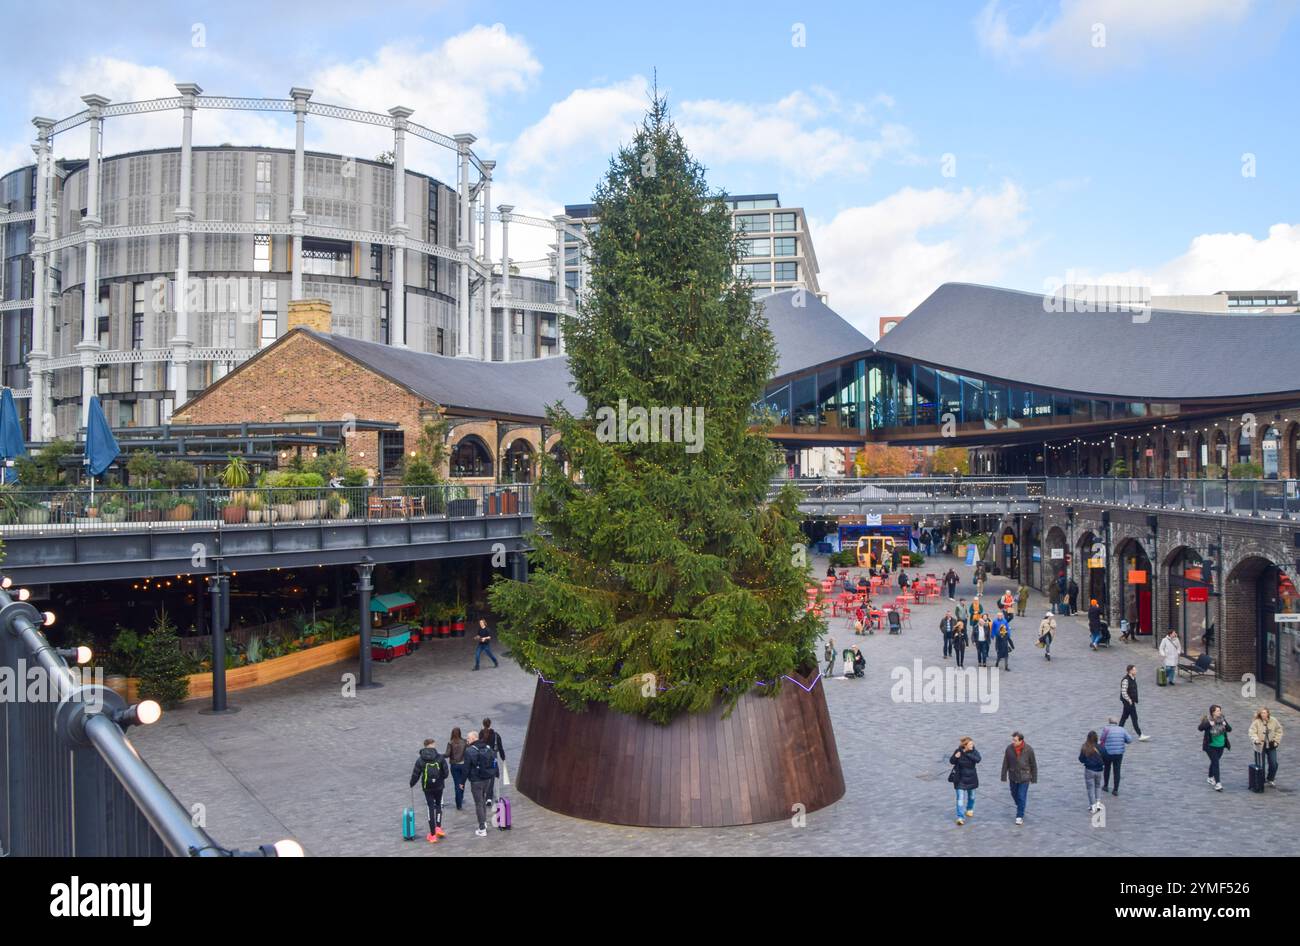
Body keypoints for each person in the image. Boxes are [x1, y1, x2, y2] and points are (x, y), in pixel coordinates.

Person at [408, 738, 448, 843]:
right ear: (433, 745)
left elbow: (416, 774)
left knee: (430, 807)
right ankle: (438, 827)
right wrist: (440, 779)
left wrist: (412, 783)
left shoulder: (421, 759)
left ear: (425, 746)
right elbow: (446, 773)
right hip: (439, 786)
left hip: (427, 787)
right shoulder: (440, 757)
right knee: (438, 805)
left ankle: (432, 834)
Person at [464, 731, 497, 836]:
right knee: (482, 800)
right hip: (487, 779)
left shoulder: (469, 751)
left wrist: (462, 782)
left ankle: (482, 828)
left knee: (479, 803)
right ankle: (484, 823)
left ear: (474, 738)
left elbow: (466, 768)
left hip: (476, 781)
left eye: (468, 738)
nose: (467, 740)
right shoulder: (487, 747)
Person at [1000, 732, 1038, 825]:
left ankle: (1019, 816)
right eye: (1013, 740)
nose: (1013, 742)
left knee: (1021, 796)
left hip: (1024, 777)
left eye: (1015, 740)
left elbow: (1033, 764)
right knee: (1014, 794)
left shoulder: (1029, 749)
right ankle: (1021, 806)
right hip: (1013, 776)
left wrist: (1034, 778)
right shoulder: (1009, 749)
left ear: (1021, 740)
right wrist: (1003, 776)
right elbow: (1005, 763)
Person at [1198, 704, 1232, 792]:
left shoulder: (1222, 719)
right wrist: (1209, 724)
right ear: (1213, 712)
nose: (1219, 712)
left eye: (1220, 710)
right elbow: (1200, 728)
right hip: (1210, 746)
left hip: (1220, 745)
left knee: (1214, 761)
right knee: (1216, 763)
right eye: (1218, 711)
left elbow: (1229, 729)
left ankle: (1210, 777)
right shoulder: (1208, 720)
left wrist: (1225, 725)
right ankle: (1218, 783)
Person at [949, 737, 981, 825]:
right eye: (970, 744)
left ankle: (969, 809)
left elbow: (978, 759)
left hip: (971, 778)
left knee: (972, 797)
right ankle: (960, 817)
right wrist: (955, 756)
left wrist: (966, 753)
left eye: (972, 744)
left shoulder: (974, 751)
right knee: (960, 799)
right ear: (965, 745)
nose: (972, 745)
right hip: (960, 779)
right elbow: (951, 761)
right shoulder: (958, 751)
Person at [1249, 708, 1283, 787]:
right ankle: (1261, 780)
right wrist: (1256, 740)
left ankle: (1270, 778)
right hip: (1260, 746)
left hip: (1271, 745)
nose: (1263, 714)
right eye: (1261, 713)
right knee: (1261, 764)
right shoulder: (1256, 722)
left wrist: (1276, 741)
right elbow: (1252, 732)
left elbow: (1279, 730)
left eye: (1264, 713)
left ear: (1268, 713)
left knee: (1274, 763)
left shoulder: (1273, 720)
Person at [1099, 717, 1131, 795]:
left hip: (1108, 752)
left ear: (1109, 722)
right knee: (1117, 770)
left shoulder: (1106, 729)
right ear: (1116, 722)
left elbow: (1101, 739)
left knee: (1107, 768)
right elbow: (1129, 740)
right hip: (1119, 753)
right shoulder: (1122, 729)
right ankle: (1115, 789)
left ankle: (1106, 786)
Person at [480, 717, 507, 804]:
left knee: (484, 776)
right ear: (490, 724)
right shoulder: (496, 735)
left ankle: (485, 794)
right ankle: (492, 796)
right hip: (493, 759)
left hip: (483, 759)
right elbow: (500, 747)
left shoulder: (481, 734)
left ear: (483, 724)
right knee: (494, 775)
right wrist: (503, 758)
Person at [1119, 665, 1149, 740]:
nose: (1136, 671)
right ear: (1130, 671)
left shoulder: (1133, 678)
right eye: (1134, 670)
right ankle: (1140, 735)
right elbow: (1123, 692)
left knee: (1124, 717)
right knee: (1134, 718)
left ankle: (1117, 732)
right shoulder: (1126, 680)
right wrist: (1129, 700)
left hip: (1131, 702)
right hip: (1128, 702)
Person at [1079, 731, 1105, 813]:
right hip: (1099, 770)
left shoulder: (1085, 747)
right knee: (1097, 786)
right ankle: (1098, 804)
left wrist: (1086, 761)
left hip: (1089, 770)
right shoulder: (1100, 747)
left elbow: (1081, 759)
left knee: (1090, 788)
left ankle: (1092, 806)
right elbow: (1105, 755)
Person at [446, 726, 469, 810]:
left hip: (454, 765)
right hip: (463, 765)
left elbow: (447, 754)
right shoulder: (465, 742)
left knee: (457, 784)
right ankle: (460, 797)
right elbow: (468, 753)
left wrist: (438, 756)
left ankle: (458, 803)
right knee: (462, 783)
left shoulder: (450, 743)